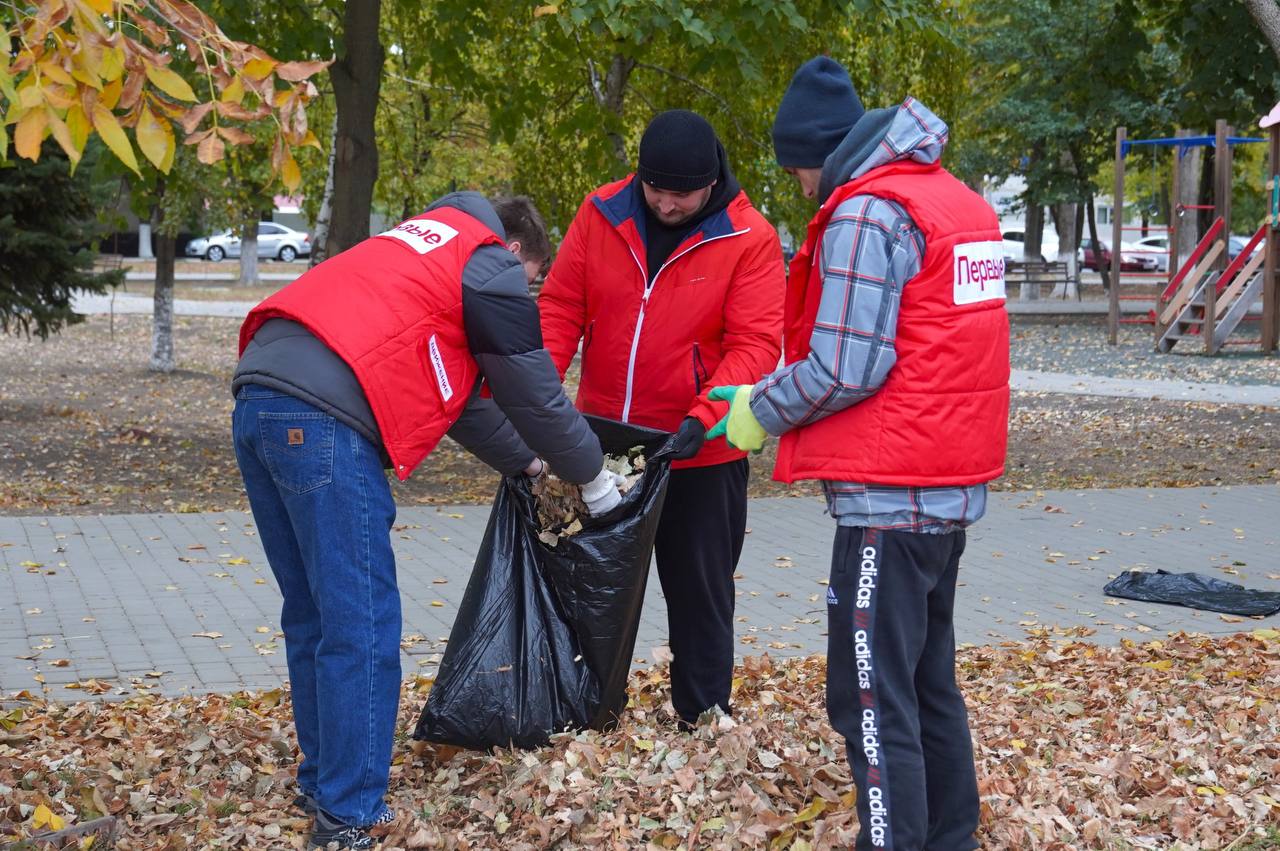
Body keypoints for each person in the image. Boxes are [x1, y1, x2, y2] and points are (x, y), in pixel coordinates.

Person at [231, 193, 622, 850]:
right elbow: (533, 389)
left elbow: (462, 399)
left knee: (313, 613)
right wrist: (593, 476)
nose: (523, 293)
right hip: (327, 419)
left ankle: (325, 780)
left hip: (259, 396)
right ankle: (350, 813)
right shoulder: (489, 261)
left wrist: (529, 466)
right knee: (362, 622)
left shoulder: (421, 245)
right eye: (532, 281)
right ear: (519, 251)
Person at [706, 57, 1010, 850]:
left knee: (870, 699)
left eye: (796, 169)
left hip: (888, 498)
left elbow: (847, 365)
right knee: (927, 685)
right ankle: (952, 837)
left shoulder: (867, 214)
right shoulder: (959, 203)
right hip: (946, 492)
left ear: (819, 151)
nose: (801, 187)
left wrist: (756, 410)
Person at [538, 110, 785, 727]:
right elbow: (561, 308)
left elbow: (756, 344)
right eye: (656, 189)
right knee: (592, 585)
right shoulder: (601, 213)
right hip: (601, 445)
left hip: (700, 448)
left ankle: (702, 714)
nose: (667, 204)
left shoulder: (748, 238)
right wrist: (538, 393)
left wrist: (706, 415)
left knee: (700, 590)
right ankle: (581, 708)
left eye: (681, 194)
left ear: (711, 183)